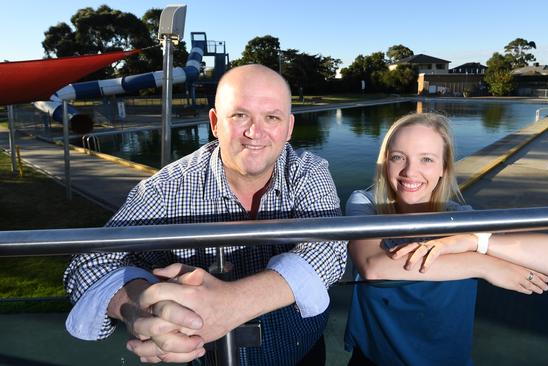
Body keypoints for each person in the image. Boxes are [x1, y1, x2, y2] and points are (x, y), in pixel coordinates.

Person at [63, 64, 347, 365]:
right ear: (214, 122)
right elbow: (89, 265)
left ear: (288, 128)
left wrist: (230, 303)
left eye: (272, 117)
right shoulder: (165, 190)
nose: (255, 132)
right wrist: (143, 307)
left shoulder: (308, 172)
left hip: (301, 352)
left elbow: (329, 248)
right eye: (240, 115)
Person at [344, 113, 548, 366]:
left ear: (444, 168)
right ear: (385, 163)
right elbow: (373, 265)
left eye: (426, 159)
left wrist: (475, 242)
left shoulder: (460, 220)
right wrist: (484, 265)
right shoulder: (366, 205)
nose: (409, 171)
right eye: (397, 157)